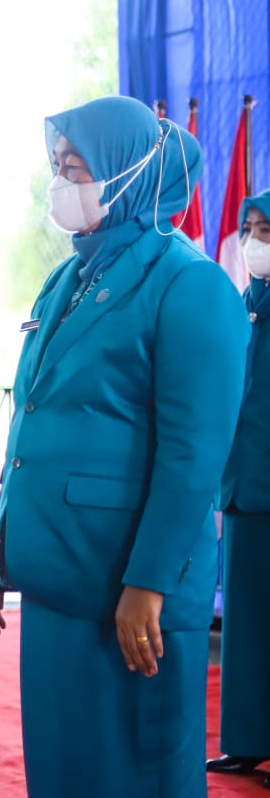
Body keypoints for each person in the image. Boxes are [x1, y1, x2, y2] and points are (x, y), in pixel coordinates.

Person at [0, 96, 245, 797]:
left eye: (76, 168)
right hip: (61, 575)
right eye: (58, 167)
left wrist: (148, 582)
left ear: (127, 176)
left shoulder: (191, 285)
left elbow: (193, 456)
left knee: (137, 773)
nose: (61, 183)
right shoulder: (67, 277)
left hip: (128, 586)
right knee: (68, 771)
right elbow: (32, 416)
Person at [207, 188, 270, 787]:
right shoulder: (243, 303)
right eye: (249, 228)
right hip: (243, 489)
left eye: (265, 230)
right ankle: (247, 740)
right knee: (246, 624)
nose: (253, 241)